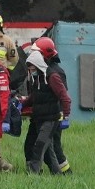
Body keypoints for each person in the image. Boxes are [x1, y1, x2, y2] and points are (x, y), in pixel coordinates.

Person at [21, 37, 73, 175]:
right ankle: (58, 176)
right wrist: (22, 104)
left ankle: (34, 175)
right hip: (39, 117)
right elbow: (36, 95)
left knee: (43, 147)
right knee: (47, 151)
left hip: (51, 118)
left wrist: (65, 116)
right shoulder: (39, 74)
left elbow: (64, 97)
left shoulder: (54, 74)